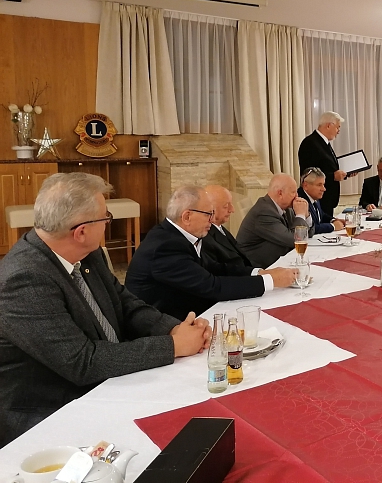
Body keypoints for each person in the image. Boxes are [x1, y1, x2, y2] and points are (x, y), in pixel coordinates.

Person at [0, 173, 211, 447]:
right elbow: (82, 362)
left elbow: (124, 303)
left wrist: (173, 328)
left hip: (106, 381)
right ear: (81, 232)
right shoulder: (24, 279)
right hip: (51, 411)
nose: (108, 224)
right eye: (105, 218)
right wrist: (172, 346)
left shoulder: (88, 253)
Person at [126, 186, 295, 320]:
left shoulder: (175, 235)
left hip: (186, 310)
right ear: (187, 217)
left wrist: (259, 273)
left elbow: (215, 268)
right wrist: (270, 281)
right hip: (162, 325)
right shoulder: (165, 247)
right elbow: (212, 286)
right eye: (208, 214)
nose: (212, 220)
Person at [237, 174, 312, 267]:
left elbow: (308, 234)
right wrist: (300, 215)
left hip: (279, 262)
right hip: (258, 268)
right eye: (293, 192)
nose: (297, 196)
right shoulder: (264, 212)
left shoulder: (286, 208)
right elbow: (295, 240)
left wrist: (306, 215)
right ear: (280, 193)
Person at [298, 111, 347, 216]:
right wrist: (333, 176)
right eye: (338, 127)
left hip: (327, 199)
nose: (338, 131)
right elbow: (308, 174)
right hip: (318, 200)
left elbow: (327, 166)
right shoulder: (310, 143)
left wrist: (345, 173)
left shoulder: (324, 143)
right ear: (329, 125)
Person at [202, 185, 253, 272]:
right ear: (210, 209)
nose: (232, 210)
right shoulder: (205, 236)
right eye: (225, 206)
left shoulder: (220, 228)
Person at [297, 168, 344, 234]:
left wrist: (333, 220)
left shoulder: (313, 196)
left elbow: (321, 215)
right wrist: (332, 226)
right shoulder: (300, 201)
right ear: (306, 186)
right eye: (319, 185)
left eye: (323, 184)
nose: (324, 189)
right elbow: (309, 228)